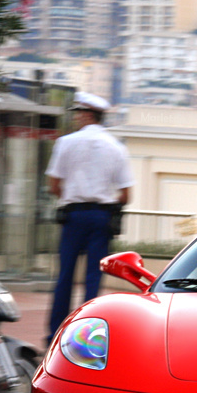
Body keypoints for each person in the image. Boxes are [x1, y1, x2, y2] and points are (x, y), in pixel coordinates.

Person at [46, 92, 133, 343]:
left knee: (64, 277)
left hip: (73, 215)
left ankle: (54, 335)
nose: (76, 118)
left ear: (87, 114)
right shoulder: (116, 147)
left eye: (78, 113)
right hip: (101, 217)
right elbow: (126, 194)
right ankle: (86, 337)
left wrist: (72, 197)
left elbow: (54, 185)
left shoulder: (65, 143)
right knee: (93, 279)